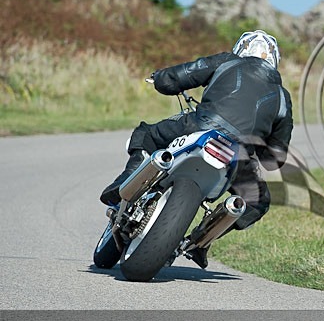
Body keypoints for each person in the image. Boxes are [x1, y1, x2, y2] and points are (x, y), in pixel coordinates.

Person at [100, 30, 293, 268]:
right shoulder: (283, 97)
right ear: (274, 60)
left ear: (241, 49)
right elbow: (274, 159)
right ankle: (201, 242)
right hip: (239, 155)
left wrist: (160, 78)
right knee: (257, 202)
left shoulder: (227, 61)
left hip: (201, 127)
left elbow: (180, 76)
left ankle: (125, 182)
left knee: (145, 135)